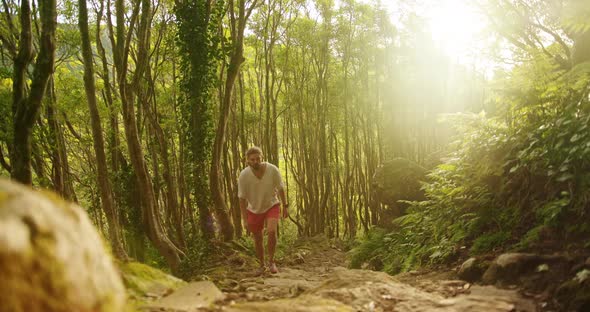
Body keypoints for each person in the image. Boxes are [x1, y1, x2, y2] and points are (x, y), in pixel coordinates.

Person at [238, 146, 289, 275]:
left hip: (272, 204)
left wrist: (285, 206)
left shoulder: (272, 170)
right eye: (252, 159)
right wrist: (244, 219)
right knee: (258, 238)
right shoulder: (244, 175)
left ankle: (272, 262)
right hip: (254, 209)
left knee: (272, 231)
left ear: (262, 158)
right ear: (248, 161)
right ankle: (261, 265)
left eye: (258, 158)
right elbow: (241, 199)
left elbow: (281, 188)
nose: (256, 161)